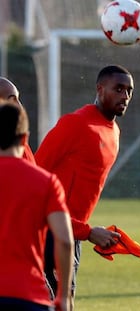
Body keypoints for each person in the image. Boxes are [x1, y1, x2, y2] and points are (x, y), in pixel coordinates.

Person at [35, 64, 134, 310]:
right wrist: (88, 231)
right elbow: (33, 181)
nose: (125, 96)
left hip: (70, 235)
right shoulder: (74, 124)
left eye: (129, 91)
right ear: (100, 89)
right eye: (118, 89)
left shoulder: (115, 132)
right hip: (45, 235)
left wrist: (87, 232)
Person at [0, 102, 74, 311]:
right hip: (28, 295)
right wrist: (63, 296)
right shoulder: (46, 182)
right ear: (25, 139)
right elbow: (65, 241)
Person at [0, 76, 36, 163]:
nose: (20, 106)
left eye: (18, 99)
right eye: (12, 100)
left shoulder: (20, 144)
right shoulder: (16, 148)